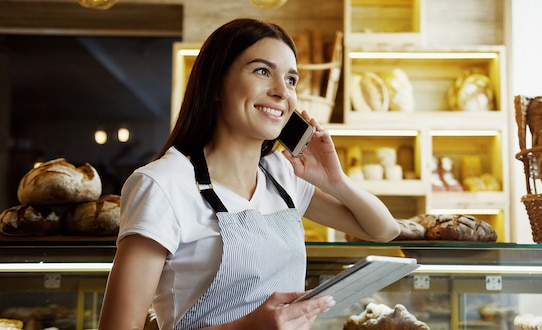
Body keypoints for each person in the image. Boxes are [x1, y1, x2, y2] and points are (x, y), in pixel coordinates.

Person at [98, 18, 400, 330]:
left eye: (292, 80)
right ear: (216, 85)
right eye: (262, 71)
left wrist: (335, 181)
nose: (282, 91)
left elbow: (383, 230)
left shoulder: (281, 174)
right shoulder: (163, 185)